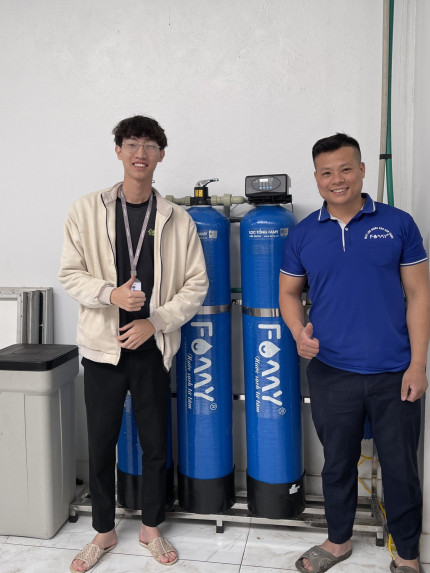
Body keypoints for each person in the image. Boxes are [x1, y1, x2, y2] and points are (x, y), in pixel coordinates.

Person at [59, 115, 208, 572]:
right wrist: (112, 294)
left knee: (154, 443)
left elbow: (196, 284)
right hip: (102, 348)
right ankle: (103, 531)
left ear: (161, 154)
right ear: (118, 151)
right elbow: (70, 273)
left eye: (149, 145)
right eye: (131, 143)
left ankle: (150, 528)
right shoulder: (86, 209)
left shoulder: (178, 219)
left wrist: (155, 322)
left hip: (151, 349)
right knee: (101, 443)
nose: (140, 153)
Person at [279, 133, 430, 573]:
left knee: (400, 468)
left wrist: (418, 365)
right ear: (316, 178)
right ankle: (338, 540)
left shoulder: (398, 224)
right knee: (337, 465)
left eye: (346, 169)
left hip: (395, 371)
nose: (337, 179)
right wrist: (297, 332)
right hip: (331, 371)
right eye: (327, 172)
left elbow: (419, 294)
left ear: (362, 170)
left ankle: (407, 555)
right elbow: (289, 292)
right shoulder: (304, 234)